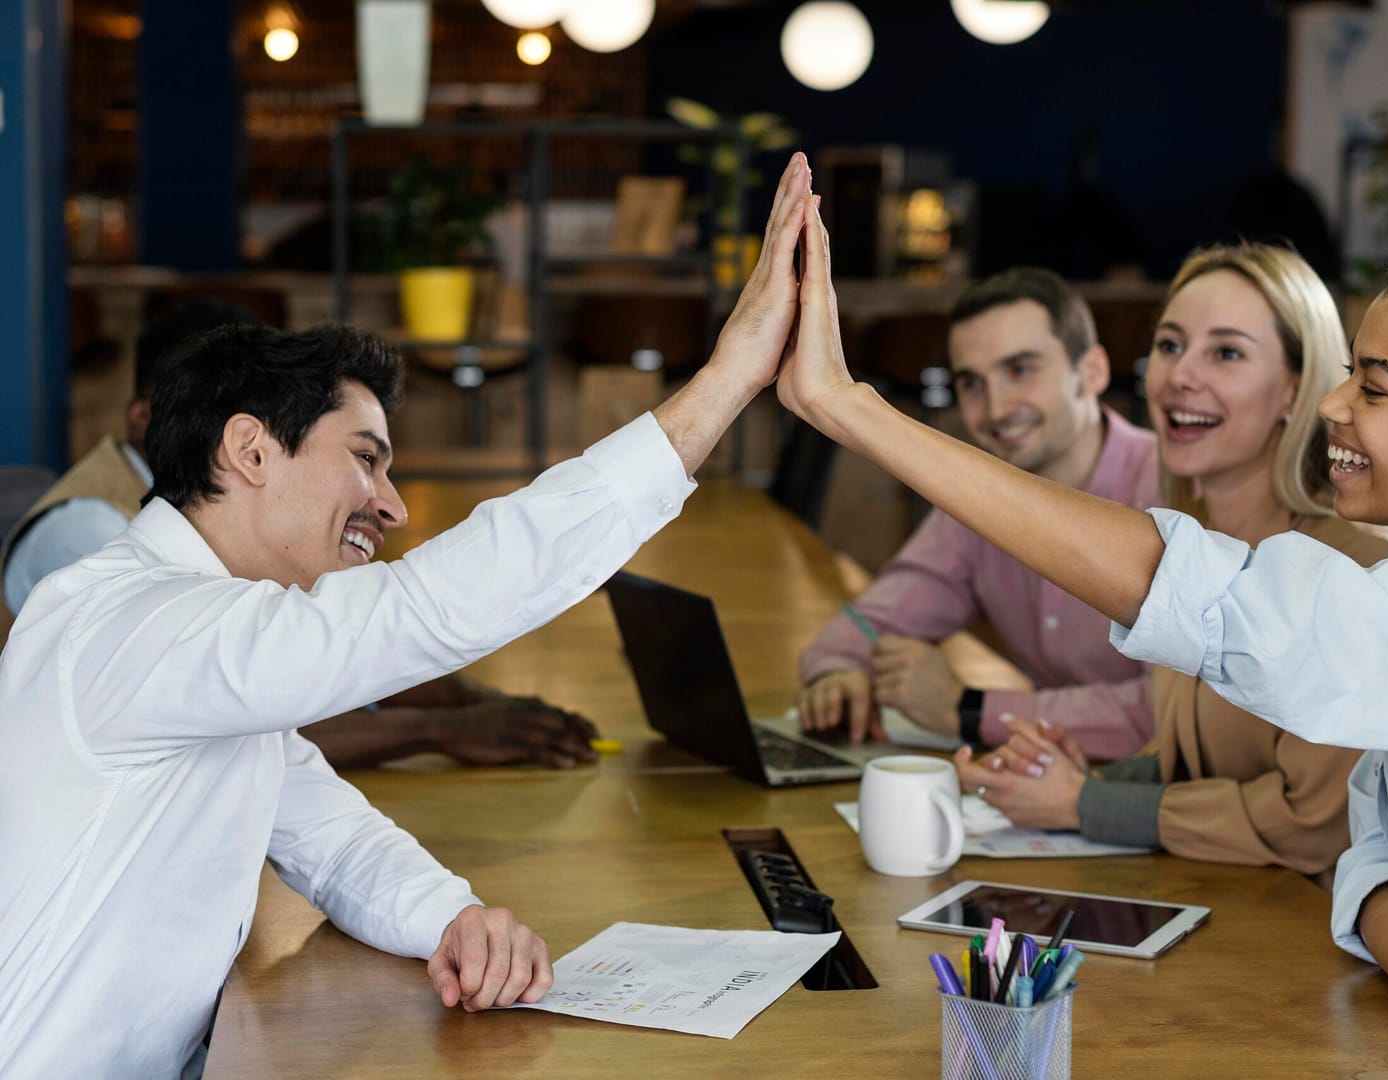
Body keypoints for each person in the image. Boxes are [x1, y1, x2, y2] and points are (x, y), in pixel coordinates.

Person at [0, 154, 815, 1077]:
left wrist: (455, 919)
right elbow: (419, 611)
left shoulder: (206, 637)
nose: (390, 507)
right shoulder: (131, 621)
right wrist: (724, 382)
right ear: (249, 451)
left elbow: (331, 840)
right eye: (365, 459)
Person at [781, 195, 1388, 1077]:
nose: (1335, 405)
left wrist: (853, 410)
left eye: (1373, 387)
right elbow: (1375, 861)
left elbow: (1209, 602)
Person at [954, 243, 1388, 880]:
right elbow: (1211, 759)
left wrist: (1087, 803)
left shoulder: (1354, 562)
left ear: (1294, 388)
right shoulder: (1184, 545)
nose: (1179, 376)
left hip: (1307, 942)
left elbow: (1314, 824)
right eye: (1170, 346)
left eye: (1226, 353)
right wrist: (1085, 777)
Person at [1, 300, 600, 770]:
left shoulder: (226, 536)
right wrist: (441, 729)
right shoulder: (93, 538)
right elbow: (276, 685)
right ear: (246, 445)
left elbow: (333, 647)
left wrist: (471, 702)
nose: (392, 508)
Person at [797, 268, 1159, 760]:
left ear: (1092, 372)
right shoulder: (980, 498)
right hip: (1049, 790)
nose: (995, 409)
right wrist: (838, 669)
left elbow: (1163, 714)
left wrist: (969, 709)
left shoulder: (1167, 489)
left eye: (1021, 370)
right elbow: (872, 622)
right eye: (972, 383)